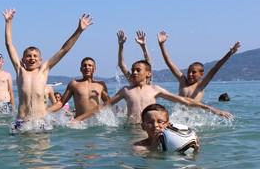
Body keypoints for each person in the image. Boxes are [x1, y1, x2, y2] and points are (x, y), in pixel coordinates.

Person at [3, 8, 93, 128]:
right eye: (28, 56)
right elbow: (9, 45)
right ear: (23, 59)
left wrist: (79, 30)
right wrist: (8, 23)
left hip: (40, 122)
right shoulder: (20, 71)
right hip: (21, 121)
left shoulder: (44, 70)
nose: (32, 58)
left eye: (35, 56)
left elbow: (64, 49)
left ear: (40, 60)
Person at [75, 60, 233, 124]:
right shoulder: (126, 90)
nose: (134, 72)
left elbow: (185, 101)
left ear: (148, 73)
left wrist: (212, 109)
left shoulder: (155, 89)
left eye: (138, 70)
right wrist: (78, 120)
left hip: (151, 128)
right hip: (132, 129)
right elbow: (103, 106)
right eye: (133, 70)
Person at [157, 31, 240, 101]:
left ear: (201, 74)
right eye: (189, 72)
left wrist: (229, 53)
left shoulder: (201, 85)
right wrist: (162, 45)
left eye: (193, 72)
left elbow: (215, 68)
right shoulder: (183, 81)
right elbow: (169, 63)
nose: (190, 74)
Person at [133, 103, 199, 152]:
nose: (155, 125)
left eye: (160, 121)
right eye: (150, 122)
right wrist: (152, 148)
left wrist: (194, 152)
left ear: (168, 124)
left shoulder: (178, 141)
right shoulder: (138, 147)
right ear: (143, 126)